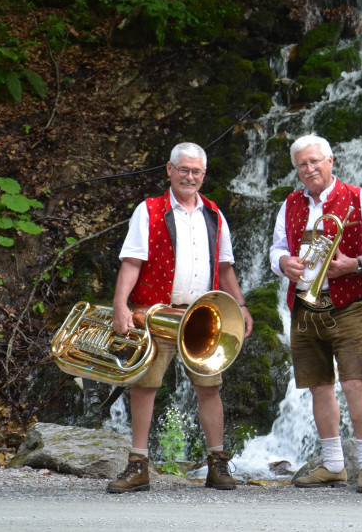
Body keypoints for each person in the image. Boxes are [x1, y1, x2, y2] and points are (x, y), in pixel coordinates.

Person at [107, 142, 254, 494]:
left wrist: (242, 307)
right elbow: (132, 262)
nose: (190, 176)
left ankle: (217, 463)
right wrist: (120, 305)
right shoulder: (149, 210)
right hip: (155, 313)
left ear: (204, 175)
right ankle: (138, 464)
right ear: (169, 170)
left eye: (197, 172)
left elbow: (225, 268)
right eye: (184, 169)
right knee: (144, 386)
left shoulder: (215, 214)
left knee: (210, 388)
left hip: (203, 316)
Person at [269, 134, 362, 493]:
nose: (309, 169)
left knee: (354, 382)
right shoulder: (290, 203)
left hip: (347, 302)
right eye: (302, 165)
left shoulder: (358, 197)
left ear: (330, 160)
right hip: (304, 305)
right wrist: (283, 262)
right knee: (319, 387)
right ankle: (334, 464)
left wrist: (355, 263)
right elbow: (276, 248)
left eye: (315, 162)